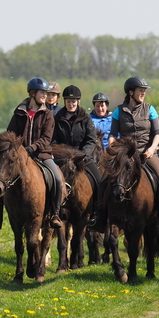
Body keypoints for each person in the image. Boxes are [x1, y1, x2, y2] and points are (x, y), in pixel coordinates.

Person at [0, 77, 63, 229]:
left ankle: (55, 214)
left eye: (46, 93)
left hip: (41, 154)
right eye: (42, 92)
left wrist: (32, 148)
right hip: (19, 156)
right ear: (32, 93)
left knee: (57, 179)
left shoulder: (47, 114)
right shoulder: (20, 112)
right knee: (0, 179)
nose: (45, 96)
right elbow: (9, 133)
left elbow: (47, 138)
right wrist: (14, 148)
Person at [105, 76, 159, 231]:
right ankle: (100, 215)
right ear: (131, 92)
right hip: (125, 155)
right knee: (106, 179)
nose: (143, 93)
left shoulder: (150, 109)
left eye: (144, 90)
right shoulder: (118, 111)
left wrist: (152, 148)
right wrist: (112, 145)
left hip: (146, 153)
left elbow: (157, 132)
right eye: (140, 90)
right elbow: (112, 134)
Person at [52, 85, 102, 225]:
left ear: (78, 102)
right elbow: (54, 140)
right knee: (52, 180)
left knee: (99, 180)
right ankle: (53, 212)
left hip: (82, 157)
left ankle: (98, 214)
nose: (71, 104)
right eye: (68, 101)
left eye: (73, 102)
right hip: (63, 158)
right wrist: (63, 153)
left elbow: (91, 139)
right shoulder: (58, 118)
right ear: (64, 102)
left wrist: (82, 154)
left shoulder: (86, 118)